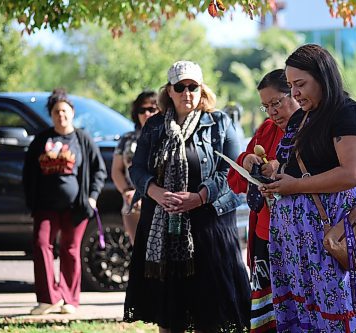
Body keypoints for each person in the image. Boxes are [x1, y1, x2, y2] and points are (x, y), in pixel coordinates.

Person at [260, 44, 356, 332]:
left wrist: (295, 187)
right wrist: (275, 178)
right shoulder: (300, 118)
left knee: (337, 304)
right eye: (291, 86)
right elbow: (291, 166)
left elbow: (353, 174)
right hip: (297, 240)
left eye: (301, 84)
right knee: (305, 308)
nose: (295, 93)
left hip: (332, 231)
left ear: (323, 76)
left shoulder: (347, 113)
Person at [123, 60, 251, 332]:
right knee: (169, 310)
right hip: (162, 225)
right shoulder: (155, 125)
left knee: (209, 310)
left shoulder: (219, 122)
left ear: (202, 89)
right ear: (168, 91)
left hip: (208, 226)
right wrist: (156, 193)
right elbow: (137, 168)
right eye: (180, 87)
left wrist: (200, 196)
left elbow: (232, 169)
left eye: (193, 86)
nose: (187, 93)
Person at [23, 88, 107, 315]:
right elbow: (29, 172)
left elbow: (99, 171)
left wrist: (92, 197)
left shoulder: (82, 139)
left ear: (72, 112)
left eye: (64, 111)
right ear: (51, 115)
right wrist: (31, 199)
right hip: (45, 206)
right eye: (56, 112)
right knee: (41, 245)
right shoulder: (42, 140)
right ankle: (49, 298)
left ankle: (70, 299)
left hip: (76, 207)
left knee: (70, 250)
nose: (61, 115)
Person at [228, 69, 300, 332]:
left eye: (277, 102)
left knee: (297, 307)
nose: (272, 111)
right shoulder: (266, 130)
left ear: (295, 93)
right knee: (266, 314)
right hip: (264, 231)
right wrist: (246, 160)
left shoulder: (310, 128)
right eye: (266, 106)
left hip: (299, 233)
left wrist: (279, 172)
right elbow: (235, 180)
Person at [111, 91, 159, 245]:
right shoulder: (127, 139)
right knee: (138, 250)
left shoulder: (168, 136)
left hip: (159, 205)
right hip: (132, 204)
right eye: (142, 110)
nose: (146, 114)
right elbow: (116, 170)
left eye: (151, 109)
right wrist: (126, 191)